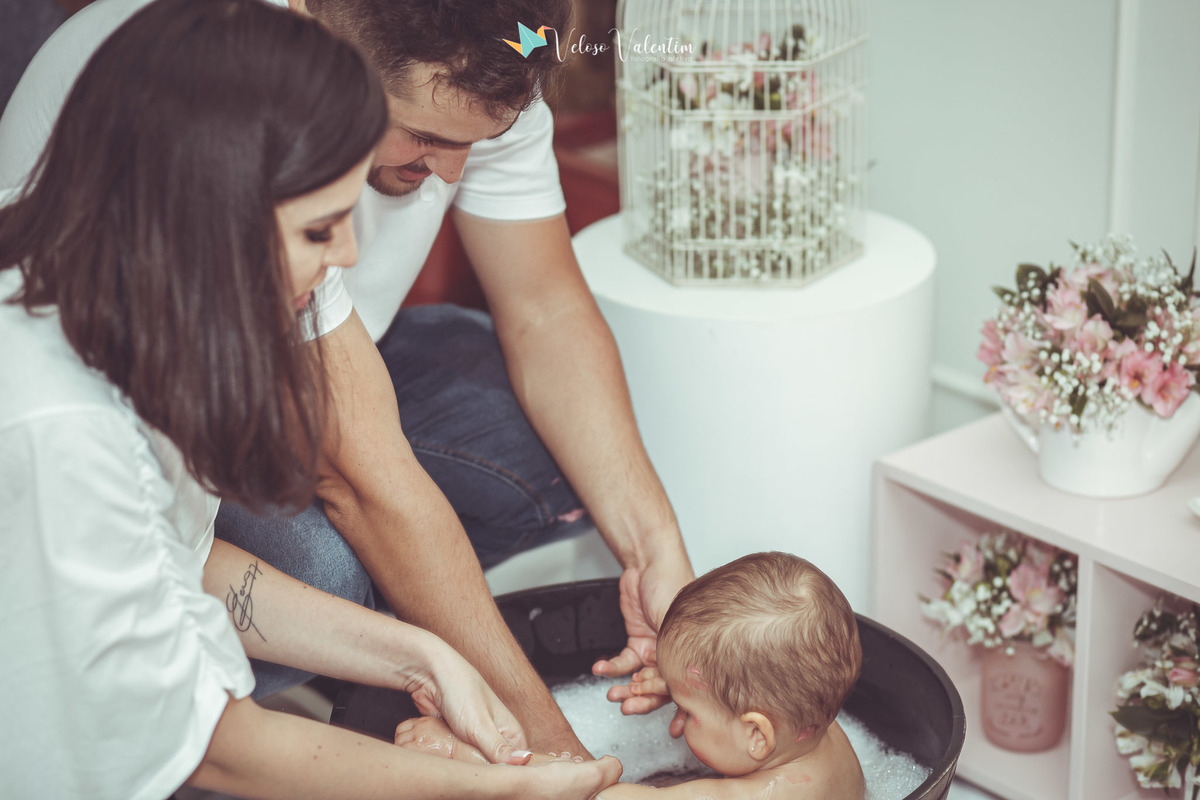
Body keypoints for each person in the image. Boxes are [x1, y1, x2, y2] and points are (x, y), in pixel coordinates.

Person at [0, 0, 695, 757]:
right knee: (319, 567)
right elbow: (363, 476)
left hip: (253, 377)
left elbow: (546, 312)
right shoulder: (222, 98)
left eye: (484, 141)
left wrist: (654, 552)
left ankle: (399, 634)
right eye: (425, 137)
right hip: (138, 430)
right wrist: (549, 751)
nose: (451, 173)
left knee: (553, 450)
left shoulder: (485, 60)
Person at [397, 552, 866, 800]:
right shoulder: (813, 728)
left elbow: (593, 797)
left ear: (757, 735)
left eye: (686, 709)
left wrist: (465, 755)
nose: (676, 712)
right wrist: (694, 690)